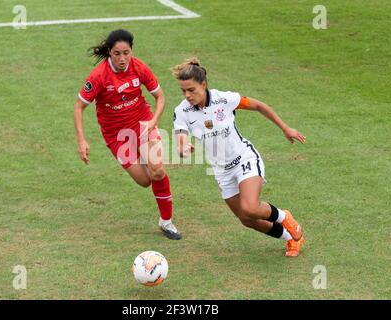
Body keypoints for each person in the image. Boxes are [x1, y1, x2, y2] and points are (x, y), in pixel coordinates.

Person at [172, 58, 306, 256]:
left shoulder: (224, 99)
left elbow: (259, 106)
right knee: (246, 219)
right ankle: (292, 238)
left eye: (191, 89)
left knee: (250, 207)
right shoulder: (182, 111)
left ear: (203, 84)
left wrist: (285, 128)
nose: (187, 95)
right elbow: (181, 138)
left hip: (244, 159)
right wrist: (183, 148)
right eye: (183, 91)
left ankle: (284, 215)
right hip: (221, 171)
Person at [73, 29, 181, 240]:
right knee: (145, 181)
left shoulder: (139, 67)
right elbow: (79, 107)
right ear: (109, 53)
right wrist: (82, 140)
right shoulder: (98, 76)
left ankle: (166, 222)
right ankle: (146, 161)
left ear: (131, 51)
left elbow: (160, 97)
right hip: (116, 135)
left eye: (126, 53)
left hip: (142, 123)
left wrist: (153, 121)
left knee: (158, 170)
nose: (122, 59)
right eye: (117, 54)